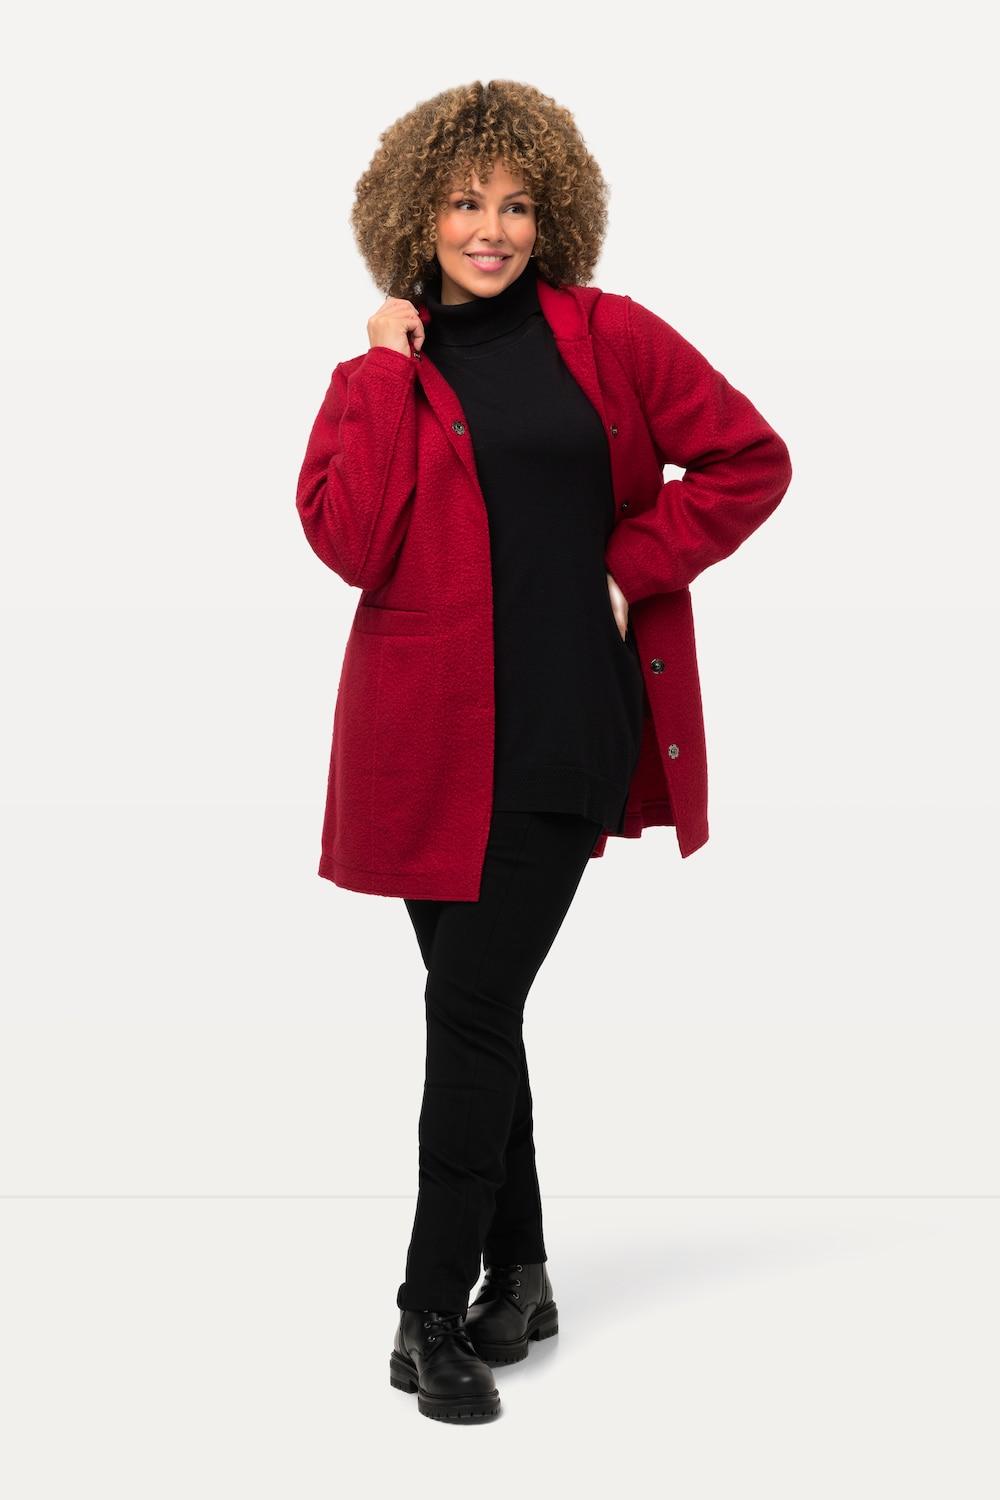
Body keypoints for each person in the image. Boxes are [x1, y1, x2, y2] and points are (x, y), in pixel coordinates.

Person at [295, 79, 793, 1424]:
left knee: (465, 1008)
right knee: (484, 1009)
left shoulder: (610, 336)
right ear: (417, 211)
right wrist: (381, 369)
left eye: (518, 205)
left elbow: (749, 458)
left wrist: (632, 564)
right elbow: (350, 542)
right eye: (465, 202)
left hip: (565, 720)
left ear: (552, 213)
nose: (492, 230)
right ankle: (519, 1279)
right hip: (419, 736)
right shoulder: (386, 372)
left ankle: (426, 1311)